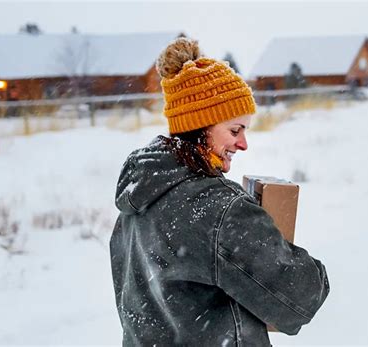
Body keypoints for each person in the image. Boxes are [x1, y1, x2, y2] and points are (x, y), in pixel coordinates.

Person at [110, 37, 329, 346]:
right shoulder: (218, 208)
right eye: (234, 130)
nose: (243, 144)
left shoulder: (138, 197)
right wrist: (273, 239)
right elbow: (301, 297)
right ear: (201, 126)